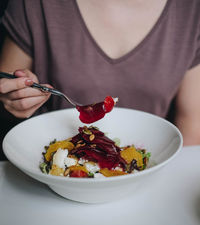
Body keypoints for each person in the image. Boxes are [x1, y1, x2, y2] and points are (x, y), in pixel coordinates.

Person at [0, 0, 200, 160]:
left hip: (150, 178)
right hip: (45, 172)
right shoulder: (35, 4)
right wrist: (15, 99)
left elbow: (192, 131)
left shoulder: (192, 12)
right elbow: (4, 95)